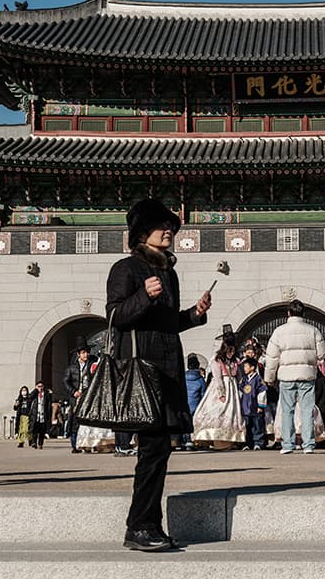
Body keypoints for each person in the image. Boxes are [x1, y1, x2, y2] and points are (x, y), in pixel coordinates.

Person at [105, 198, 210, 552]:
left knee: (160, 450)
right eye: (161, 225)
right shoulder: (126, 268)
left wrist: (194, 314)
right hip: (142, 369)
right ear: (141, 232)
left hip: (166, 369)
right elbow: (116, 316)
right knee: (152, 450)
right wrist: (145, 297)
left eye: (171, 227)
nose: (169, 231)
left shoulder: (169, 272)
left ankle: (148, 523)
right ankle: (139, 525)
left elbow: (169, 324)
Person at [264, 300, 325, 454]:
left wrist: (269, 377)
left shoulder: (279, 331)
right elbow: (322, 353)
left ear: (288, 313)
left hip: (286, 376)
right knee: (307, 410)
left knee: (287, 410)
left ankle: (288, 444)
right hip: (307, 375)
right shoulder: (313, 330)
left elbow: (272, 357)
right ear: (303, 313)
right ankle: (308, 445)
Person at [192, 329, 245, 449]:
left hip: (232, 387)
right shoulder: (217, 359)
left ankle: (229, 441)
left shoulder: (236, 361)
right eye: (229, 350)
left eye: (233, 350)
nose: (231, 353)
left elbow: (239, 376)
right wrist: (221, 393)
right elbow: (217, 377)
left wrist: (240, 387)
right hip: (220, 387)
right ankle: (214, 439)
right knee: (216, 411)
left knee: (232, 413)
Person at [63, 341, 94, 453]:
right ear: (78, 354)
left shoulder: (92, 365)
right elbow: (66, 382)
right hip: (75, 398)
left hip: (88, 397)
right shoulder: (71, 368)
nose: (86, 355)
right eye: (83, 352)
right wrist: (73, 391)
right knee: (74, 421)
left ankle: (88, 445)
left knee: (87, 421)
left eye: (87, 352)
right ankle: (75, 445)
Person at [239, 358, 266, 449]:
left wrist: (260, 405)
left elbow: (262, 392)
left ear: (252, 367)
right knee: (247, 426)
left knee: (257, 425)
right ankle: (247, 443)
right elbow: (240, 391)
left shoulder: (258, 379)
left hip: (255, 406)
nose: (244, 368)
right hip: (245, 407)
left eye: (246, 366)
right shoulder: (243, 379)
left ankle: (258, 443)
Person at [182, 355, 206, 450]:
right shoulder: (200, 379)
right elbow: (203, 394)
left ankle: (185, 440)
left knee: (185, 422)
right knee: (194, 423)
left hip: (184, 403)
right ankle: (192, 441)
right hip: (196, 404)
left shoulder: (183, 377)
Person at [28, 381, 52, 448]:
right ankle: (34, 443)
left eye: (41, 386)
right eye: (38, 386)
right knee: (34, 430)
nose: (40, 388)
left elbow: (49, 403)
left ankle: (40, 443)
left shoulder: (46, 394)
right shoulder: (35, 394)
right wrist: (35, 390)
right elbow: (29, 398)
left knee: (42, 430)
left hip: (43, 414)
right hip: (35, 414)